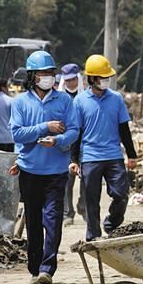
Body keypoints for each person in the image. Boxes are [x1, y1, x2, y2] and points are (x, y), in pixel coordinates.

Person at [9, 50, 78, 284]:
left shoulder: (65, 101)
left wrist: (57, 140)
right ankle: (34, 266)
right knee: (34, 220)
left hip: (56, 172)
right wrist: (44, 127)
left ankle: (47, 268)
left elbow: (73, 131)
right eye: (42, 73)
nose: (48, 77)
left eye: (50, 72)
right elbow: (17, 133)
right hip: (29, 170)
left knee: (53, 219)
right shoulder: (20, 103)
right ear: (32, 76)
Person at [70, 54, 138, 241]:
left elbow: (124, 128)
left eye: (108, 77)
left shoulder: (116, 99)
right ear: (91, 79)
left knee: (121, 195)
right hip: (90, 157)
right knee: (91, 201)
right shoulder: (80, 101)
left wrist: (132, 155)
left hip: (114, 155)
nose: (106, 80)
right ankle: (93, 235)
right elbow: (77, 132)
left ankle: (111, 223)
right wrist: (74, 159)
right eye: (102, 77)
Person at [57, 63, 86, 225]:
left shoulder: (85, 97)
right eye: (68, 80)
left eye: (74, 79)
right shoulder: (59, 99)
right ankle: (68, 212)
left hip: (85, 144)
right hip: (67, 144)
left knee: (87, 177)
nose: (71, 83)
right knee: (67, 180)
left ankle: (83, 205)